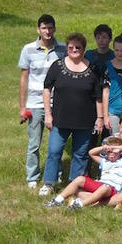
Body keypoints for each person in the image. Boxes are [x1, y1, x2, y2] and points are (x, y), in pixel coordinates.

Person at [40, 32, 104, 197]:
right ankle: (49, 183)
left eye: (78, 47)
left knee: (80, 154)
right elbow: (47, 89)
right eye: (71, 47)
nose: (74, 49)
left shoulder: (93, 69)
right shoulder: (57, 66)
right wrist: (48, 114)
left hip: (85, 121)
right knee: (54, 151)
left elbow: (98, 96)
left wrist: (100, 118)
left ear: (84, 49)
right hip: (60, 120)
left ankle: (75, 184)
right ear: (67, 48)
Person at [18, 14, 66, 189]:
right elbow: (24, 79)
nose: (48, 31)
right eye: (44, 28)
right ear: (38, 29)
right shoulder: (28, 49)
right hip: (36, 102)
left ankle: (57, 174)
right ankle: (32, 176)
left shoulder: (63, 49)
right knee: (34, 143)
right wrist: (23, 106)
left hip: (57, 102)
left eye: (51, 27)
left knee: (57, 143)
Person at [44, 136, 122, 210]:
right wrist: (103, 147)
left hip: (112, 189)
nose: (111, 153)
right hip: (100, 185)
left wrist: (118, 147)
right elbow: (91, 153)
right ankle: (57, 200)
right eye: (109, 151)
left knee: (105, 188)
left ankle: (80, 204)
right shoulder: (104, 161)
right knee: (79, 180)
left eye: (114, 151)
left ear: (120, 152)